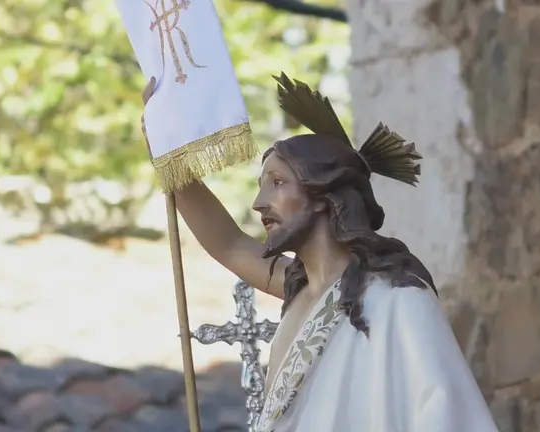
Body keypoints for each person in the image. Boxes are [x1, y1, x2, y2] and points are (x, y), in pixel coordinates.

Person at [141, 74, 497, 432]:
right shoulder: (298, 287)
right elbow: (229, 243)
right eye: (261, 186)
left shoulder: (397, 298)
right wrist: (167, 150)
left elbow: (446, 413)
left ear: (323, 196)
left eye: (277, 183)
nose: (259, 203)